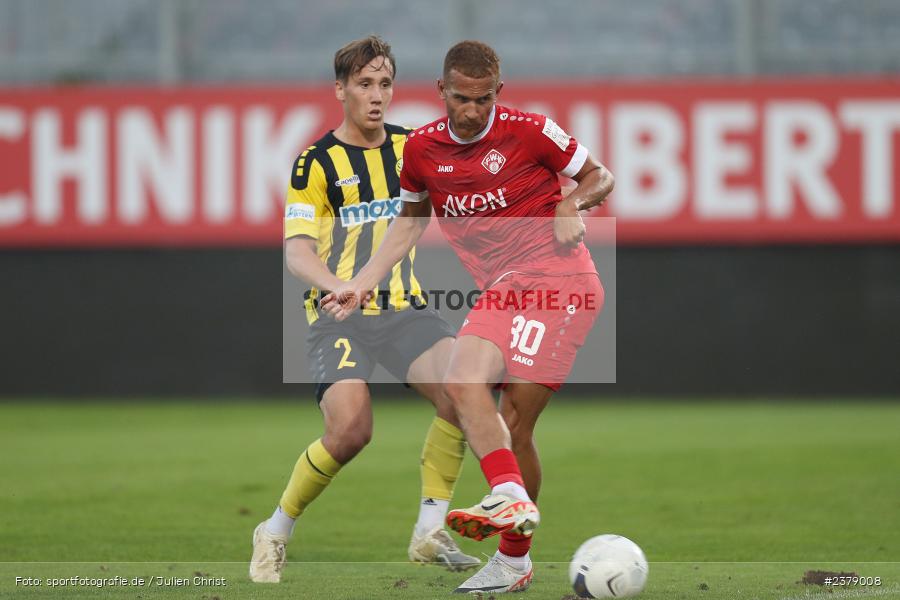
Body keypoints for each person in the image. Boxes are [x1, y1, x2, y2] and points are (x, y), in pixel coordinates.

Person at [322, 40, 614, 593]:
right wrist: (361, 284)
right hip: (507, 286)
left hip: (560, 282)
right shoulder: (422, 150)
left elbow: (601, 175)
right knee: (511, 426)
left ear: (498, 93)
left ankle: (506, 503)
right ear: (441, 91)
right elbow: (409, 224)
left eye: (484, 99)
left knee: (468, 385)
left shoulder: (531, 130)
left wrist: (571, 202)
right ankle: (514, 558)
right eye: (462, 98)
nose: (473, 110)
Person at [249, 36, 480, 584]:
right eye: (364, 84)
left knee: (464, 391)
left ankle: (429, 530)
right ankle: (275, 529)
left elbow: (460, 193)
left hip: (404, 308)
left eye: (385, 84)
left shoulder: (411, 148)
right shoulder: (315, 162)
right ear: (340, 90)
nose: (377, 96)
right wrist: (340, 286)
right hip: (338, 315)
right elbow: (297, 251)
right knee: (352, 430)